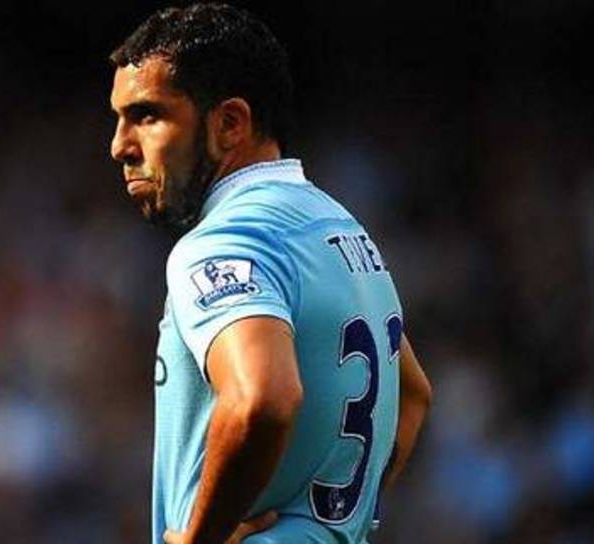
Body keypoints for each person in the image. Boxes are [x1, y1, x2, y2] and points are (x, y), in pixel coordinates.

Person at [108, 4, 432, 543]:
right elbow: (412, 397)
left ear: (229, 124)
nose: (119, 145)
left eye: (147, 115)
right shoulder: (338, 227)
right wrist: (328, 527)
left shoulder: (224, 241)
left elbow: (262, 398)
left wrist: (201, 538)